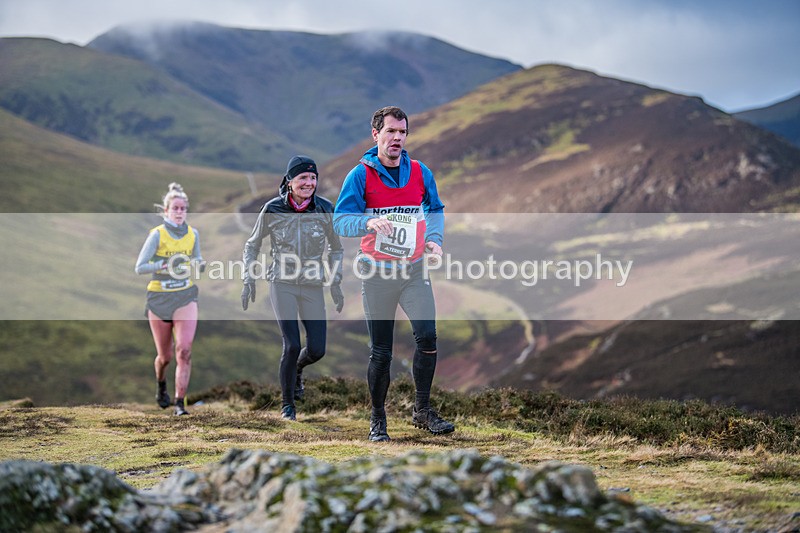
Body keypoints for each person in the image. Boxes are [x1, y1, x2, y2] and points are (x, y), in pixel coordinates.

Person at [333, 106, 455, 441]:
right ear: (376, 135)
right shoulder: (360, 176)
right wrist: (367, 221)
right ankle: (377, 419)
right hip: (378, 274)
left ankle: (422, 410)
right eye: (391, 132)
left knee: (428, 339)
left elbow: (435, 208)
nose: (397, 138)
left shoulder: (419, 171)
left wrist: (433, 240)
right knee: (382, 352)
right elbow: (340, 220)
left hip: (414, 270)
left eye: (402, 132)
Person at [241, 155, 344, 421]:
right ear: (289, 182)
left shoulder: (324, 208)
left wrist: (335, 281)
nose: (309, 183)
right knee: (291, 344)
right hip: (281, 282)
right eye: (303, 178)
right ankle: (288, 406)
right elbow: (252, 245)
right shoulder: (273, 209)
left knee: (317, 349)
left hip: (312, 284)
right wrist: (248, 279)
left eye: (313, 178)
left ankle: (299, 367)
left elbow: (336, 248)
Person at [135, 183, 204, 416]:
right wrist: (164, 264)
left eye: (183, 208)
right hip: (159, 297)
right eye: (175, 207)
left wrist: (199, 264)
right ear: (166, 210)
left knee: (184, 350)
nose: (179, 211)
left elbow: (198, 259)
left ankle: (179, 404)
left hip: (185, 295)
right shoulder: (157, 235)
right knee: (165, 357)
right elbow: (140, 267)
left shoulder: (193, 234)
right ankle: (161, 385)